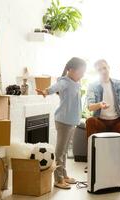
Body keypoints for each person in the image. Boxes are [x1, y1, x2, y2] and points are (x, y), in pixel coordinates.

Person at [36, 57, 86, 189]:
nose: (82, 74)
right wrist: (46, 91)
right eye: (81, 72)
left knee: (64, 151)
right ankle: (58, 180)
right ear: (70, 70)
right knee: (59, 151)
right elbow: (56, 87)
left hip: (72, 121)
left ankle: (63, 175)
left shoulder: (76, 82)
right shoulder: (64, 81)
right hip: (63, 121)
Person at [85, 59, 120, 142]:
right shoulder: (93, 86)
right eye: (99, 70)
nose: (103, 71)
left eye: (104, 68)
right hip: (101, 121)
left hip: (117, 121)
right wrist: (99, 105)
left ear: (108, 68)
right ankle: (92, 153)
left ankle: (118, 154)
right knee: (90, 121)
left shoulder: (118, 83)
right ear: (96, 72)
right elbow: (90, 107)